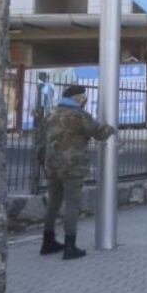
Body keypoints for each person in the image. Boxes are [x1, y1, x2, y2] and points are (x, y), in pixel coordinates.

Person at [37, 85, 115, 259]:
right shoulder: (78, 116)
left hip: (52, 166)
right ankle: (70, 247)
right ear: (78, 99)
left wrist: (44, 160)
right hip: (72, 167)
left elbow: (40, 142)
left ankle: (47, 242)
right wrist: (112, 128)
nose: (84, 101)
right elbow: (100, 133)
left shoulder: (50, 114)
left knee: (53, 203)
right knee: (72, 204)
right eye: (83, 98)